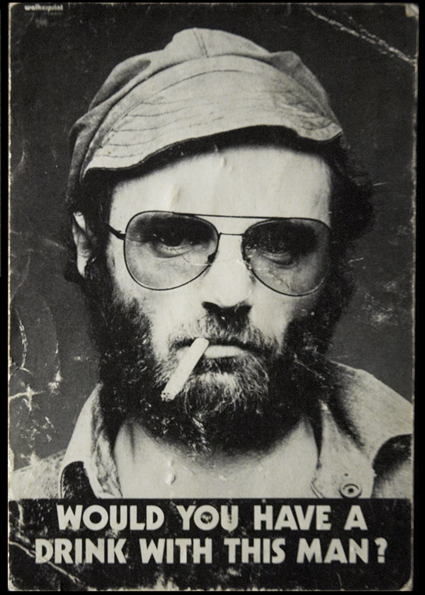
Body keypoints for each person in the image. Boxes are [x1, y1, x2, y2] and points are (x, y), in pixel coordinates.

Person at [11, 27, 412, 500]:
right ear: (88, 247)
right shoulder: (17, 521)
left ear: (333, 258)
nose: (229, 294)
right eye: (173, 238)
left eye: (280, 243)